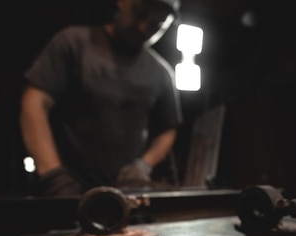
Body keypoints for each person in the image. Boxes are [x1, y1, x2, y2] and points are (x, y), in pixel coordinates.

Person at [19, 0, 183, 197]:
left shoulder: (161, 72)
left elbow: (168, 129)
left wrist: (144, 164)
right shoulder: (73, 42)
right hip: (67, 191)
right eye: (139, 13)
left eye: (157, 25)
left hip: (126, 196)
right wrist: (53, 175)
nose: (143, 27)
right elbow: (34, 103)